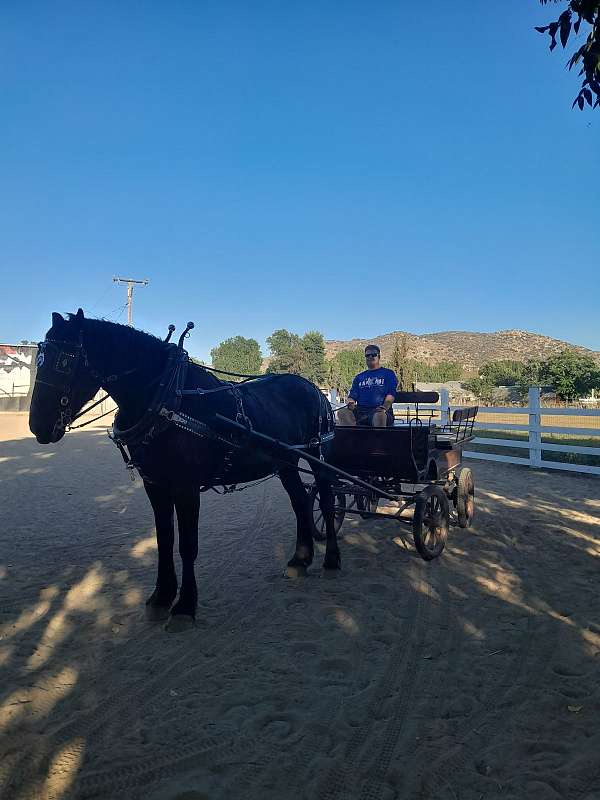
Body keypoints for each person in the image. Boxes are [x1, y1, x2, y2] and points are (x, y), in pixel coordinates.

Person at [337, 345, 398, 427]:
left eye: (373, 355)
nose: (370, 357)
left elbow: (391, 395)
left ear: (379, 356)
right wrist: (350, 402)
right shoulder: (359, 377)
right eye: (367, 355)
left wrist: (384, 407)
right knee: (342, 412)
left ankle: (378, 439)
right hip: (360, 412)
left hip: (381, 411)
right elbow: (352, 396)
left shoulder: (388, 374)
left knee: (379, 416)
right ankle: (353, 438)